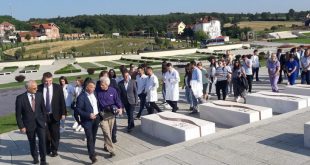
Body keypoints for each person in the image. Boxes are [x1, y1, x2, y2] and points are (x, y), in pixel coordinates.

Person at [15, 80, 48, 165]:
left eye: (36, 87)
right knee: (32, 142)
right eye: (34, 88)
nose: (37, 89)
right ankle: (35, 158)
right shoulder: (20, 98)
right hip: (29, 124)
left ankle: (43, 161)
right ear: (28, 88)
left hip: (40, 123)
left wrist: (44, 120)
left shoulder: (39, 95)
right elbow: (18, 115)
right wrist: (21, 126)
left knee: (42, 141)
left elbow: (43, 109)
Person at [38, 72, 66, 157]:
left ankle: (54, 150)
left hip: (55, 114)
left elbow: (62, 101)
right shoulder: (39, 88)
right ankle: (47, 148)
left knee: (55, 134)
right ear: (43, 80)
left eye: (50, 80)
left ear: (52, 79)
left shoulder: (57, 87)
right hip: (43, 115)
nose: (48, 83)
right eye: (46, 81)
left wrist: (63, 113)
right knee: (45, 134)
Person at [97, 77, 123, 157]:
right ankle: (112, 150)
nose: (101, 86)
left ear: (107, 84)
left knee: (110, 132)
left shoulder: (113, 90)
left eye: (103, 85)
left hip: (111, 114)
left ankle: (106, 145)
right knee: (106, 132)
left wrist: (120, 108)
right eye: (100, 84)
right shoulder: (97, 91)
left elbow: (117, 100)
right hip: (102, 115)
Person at [76, 80, 100, 164]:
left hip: (96, 118)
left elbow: (97, 104)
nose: (94, 88)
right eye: (92, 87)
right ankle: (92, 156)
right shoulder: (81, 97)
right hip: (87, 121)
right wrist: (88, 115)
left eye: (94, 87)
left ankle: (92, 150)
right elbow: (78, 110)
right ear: (87, 87)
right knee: (89, 137)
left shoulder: (95, 94)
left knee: (93, 136)